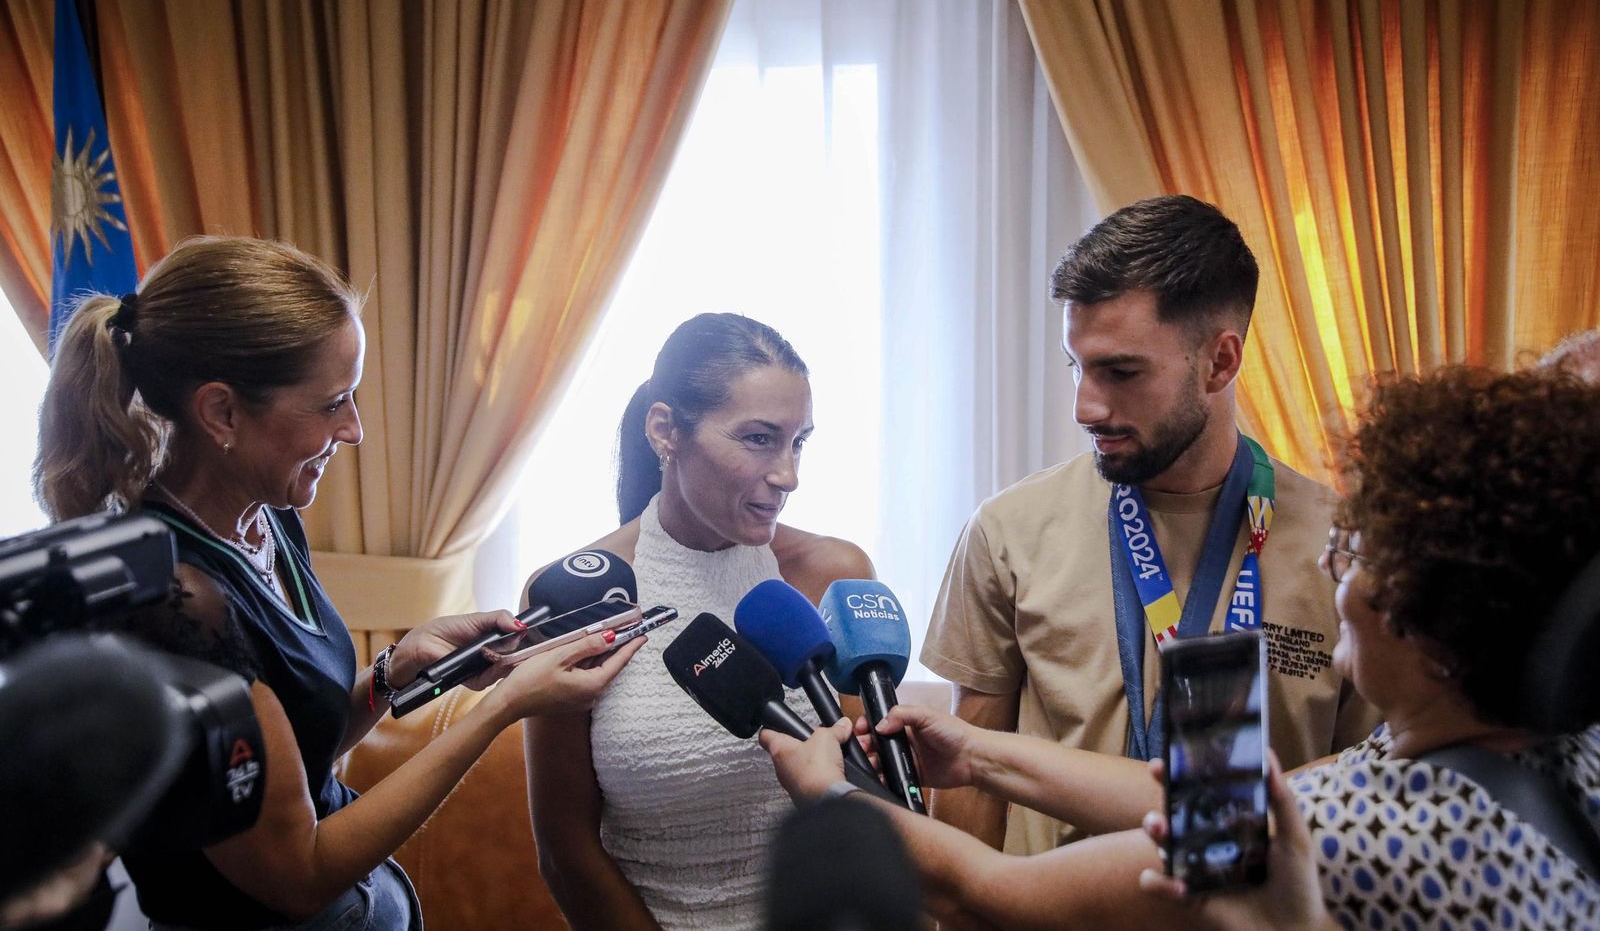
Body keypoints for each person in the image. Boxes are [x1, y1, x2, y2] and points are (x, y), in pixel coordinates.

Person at [763, 366, 1600, 930]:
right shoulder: (1560, 756)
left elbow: (995, 888)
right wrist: (980, 754)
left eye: (1362, 555)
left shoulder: (1362, 831)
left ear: (1433, 623)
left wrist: (836, 802)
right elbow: (1208, 803)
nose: (1338, 576)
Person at [33, 237, 643, 930]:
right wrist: (503, 710)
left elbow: (294, 742)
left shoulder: (267, 517)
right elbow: (298, 872)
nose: (353, 430)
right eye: (333, 403)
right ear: (223, 413)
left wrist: (392, 673)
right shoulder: (169, 601)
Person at [920, 195, 1378, 856]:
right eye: (1076, 365)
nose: (1085, 405)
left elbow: (1370, 781)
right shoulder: (1007, 532)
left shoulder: (1347, 548)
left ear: (1220, 362)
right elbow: (969, 777)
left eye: (1121, 371)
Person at [525, 312, 874, 931]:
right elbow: (566, 851)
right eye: (759, 438)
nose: (788, 475)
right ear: (665, 430)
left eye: (798, 441)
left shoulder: (833, 572)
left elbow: (874, 806)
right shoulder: (578, 596)